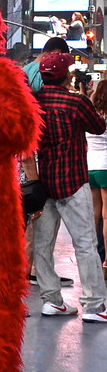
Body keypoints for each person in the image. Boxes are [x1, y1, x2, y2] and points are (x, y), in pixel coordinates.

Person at [33, 52, 107, 322]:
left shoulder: (32, 102)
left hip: (42, 183)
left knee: (43, 245)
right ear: (66, 75)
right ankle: (94, 306)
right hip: (73, 181)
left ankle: (51, 300)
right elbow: (98, 127)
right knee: (85, 244)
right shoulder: (75, 101)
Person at [22, 37, 74, 288]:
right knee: (40, 217)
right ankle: (34, 272)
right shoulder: (42, 77)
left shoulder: (23, 72)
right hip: (38, 157)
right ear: (53, 54)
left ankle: (35, 270)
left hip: (28, 156)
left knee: (34, 218)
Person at [87, 79, 107, 276]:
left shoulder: (92, 116)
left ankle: (92, 258)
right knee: (106, 217)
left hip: (90, 167)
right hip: (105, 167)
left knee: (93, 214)